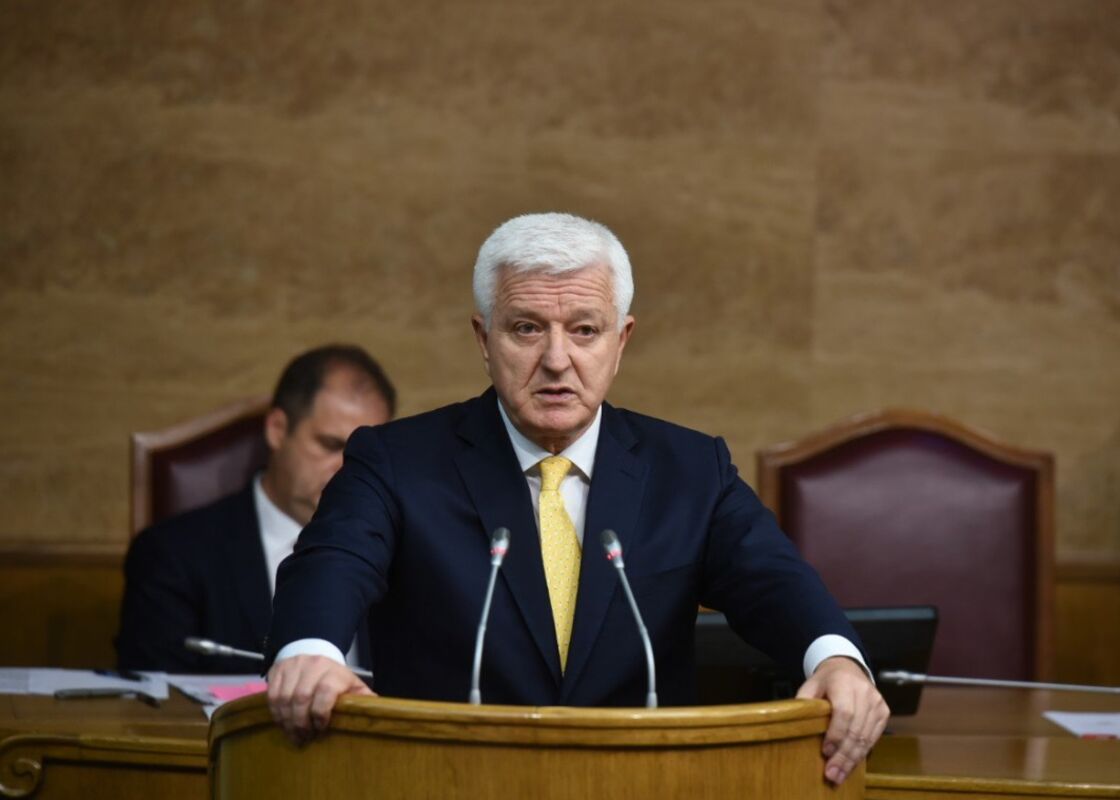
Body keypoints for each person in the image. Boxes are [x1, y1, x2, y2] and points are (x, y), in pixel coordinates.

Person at [266, 214, 888, 786]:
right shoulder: (396, 461)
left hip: (641, 787)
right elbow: (333, 562)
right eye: (527, 328)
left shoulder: (691, 469)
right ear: (484, 338)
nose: (557, 360)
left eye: (585, 330)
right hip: (448, 782)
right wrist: (310, 652)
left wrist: (835, 657)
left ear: (621, 340)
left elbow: (772, 578)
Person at [115, 344, 395, 673]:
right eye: (331, 445)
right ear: (277, 429)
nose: (347, 469)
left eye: (363, 456)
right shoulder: (173, 554)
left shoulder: (399, 554)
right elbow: (157, 692)